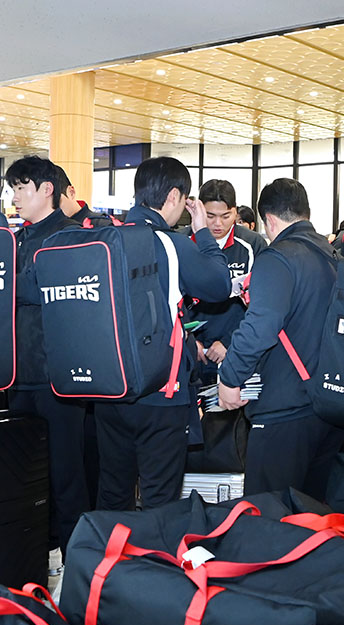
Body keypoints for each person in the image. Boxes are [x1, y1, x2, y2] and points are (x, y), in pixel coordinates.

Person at [93, 157, 230, 511]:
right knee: (160, 497)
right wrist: (201, 232)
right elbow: (218, 285)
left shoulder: (106, 238)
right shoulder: (172, 243)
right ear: (173, 196)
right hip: (161, 392)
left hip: (110, 388)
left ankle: (108, 561)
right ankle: (152, 563)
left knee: (113, 490)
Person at [218, 179, 344, 499]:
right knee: (313, 516)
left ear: (269, 220)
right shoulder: (331, 255)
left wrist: (230, 378)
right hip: (328, 406)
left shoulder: (277, 257)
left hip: (285, 409)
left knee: (268, 516)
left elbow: (262, 325)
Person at [3, 155, 90, 557]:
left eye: (22, 188)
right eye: (13, 188)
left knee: (65, 473)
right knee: (24, 473)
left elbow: (47, 287)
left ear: (46, 190)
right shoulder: (15, 237)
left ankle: (77, 560)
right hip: (16, 374)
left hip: (58, 375)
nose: (15, 197)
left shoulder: (70, 235)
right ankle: (36, 553)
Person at [190, 179, 267, 381]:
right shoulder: (184, 242)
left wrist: (229, 341)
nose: (217, 224)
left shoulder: (252, 244)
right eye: (210, 216)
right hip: (192, 350)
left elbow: (262, 303)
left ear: (235, 212)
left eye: (225, 216)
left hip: (234, 349)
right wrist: (187, 340)